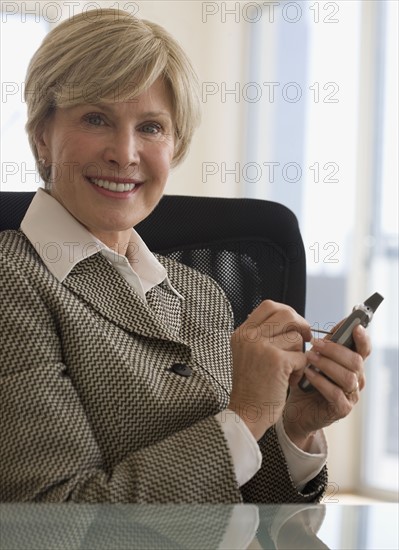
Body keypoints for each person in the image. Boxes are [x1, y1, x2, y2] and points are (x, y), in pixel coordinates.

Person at [0, 8, 370, 503]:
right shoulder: (13, 280)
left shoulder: (200, 292)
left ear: (174, 145)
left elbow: (238, 500)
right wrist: (249, 414)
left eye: (151, 127)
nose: (125, 152)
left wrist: (292, 429)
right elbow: (56, 518)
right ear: (42, 135)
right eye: (96, 118)